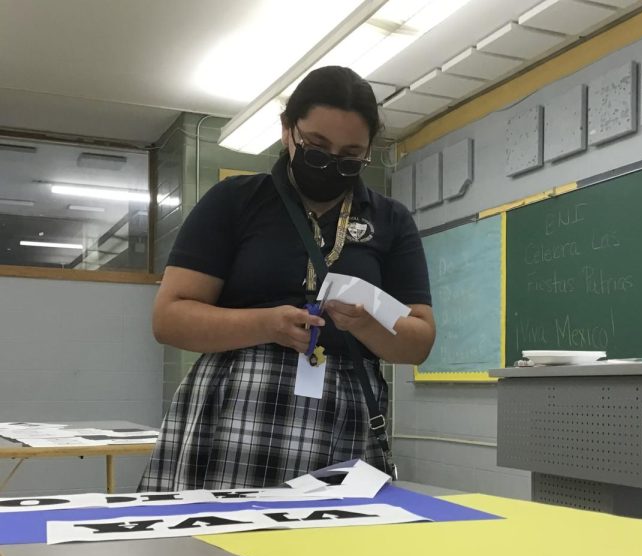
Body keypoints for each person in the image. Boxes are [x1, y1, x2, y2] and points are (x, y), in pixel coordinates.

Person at [139, 66, 435, 491]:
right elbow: (169, 319)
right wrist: (265, 324)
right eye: (316, 146)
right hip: (237, 405)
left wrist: (365, 322)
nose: (332, 162)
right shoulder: (236, 200)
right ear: (287, 131)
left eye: (351, 155)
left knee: (337, 550)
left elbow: (420, 340)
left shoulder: (390, 220)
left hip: (346, 408)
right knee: (222, 546)